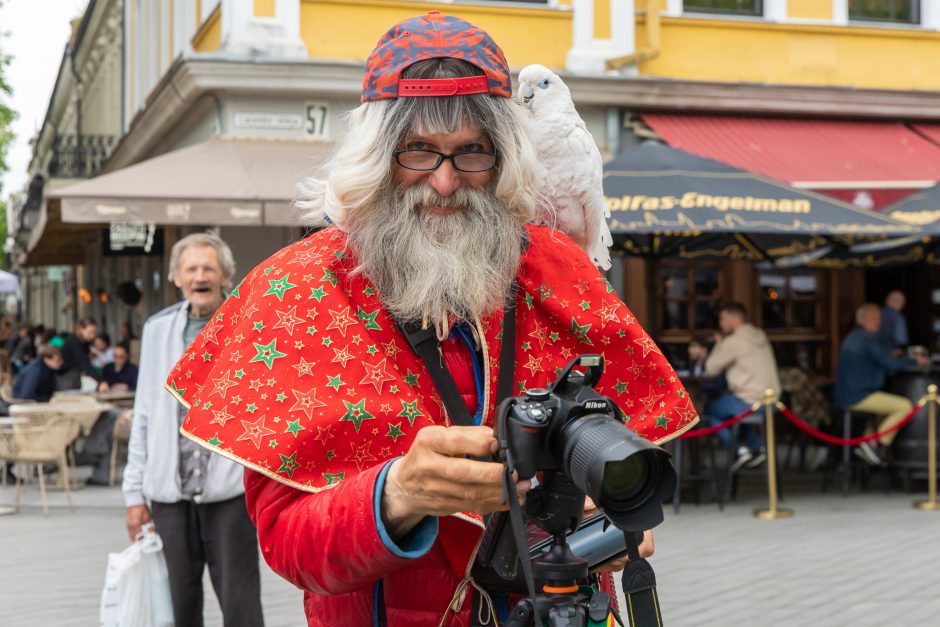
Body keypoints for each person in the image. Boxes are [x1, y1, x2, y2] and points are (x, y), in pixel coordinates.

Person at [162, 12, 697, 626]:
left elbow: (618, 463)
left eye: (472, 152)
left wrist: (601, 515)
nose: (444, 182)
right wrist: (396, 495)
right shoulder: (299, 289)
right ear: (378, 154)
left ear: (503, 159)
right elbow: (290, 547)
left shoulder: (557, 272)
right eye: (418, 151)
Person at [122, 233, 264, 626]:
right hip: (169, 494)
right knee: (179, 608)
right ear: (176, 277)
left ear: (225, 276)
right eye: (192, 268)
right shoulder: (157, 329)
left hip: (230, 494)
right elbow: (145, 412)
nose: (200, 276)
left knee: (241, 606)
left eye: (209, 268)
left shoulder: (247, 325)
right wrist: (134, 493)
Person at [834, 303, 926, 466]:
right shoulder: (866, 338)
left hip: (848, 395)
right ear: (861, 320)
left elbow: (881, 357)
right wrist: (914, 360)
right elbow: (889, 363)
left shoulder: (855, 337)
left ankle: (867, 446)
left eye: (878, 318)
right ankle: (877, 445)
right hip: (858, 396)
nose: (877, 322)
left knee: (881, 414)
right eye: (872, 318)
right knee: (904, 406)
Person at [704, 302, 782, 472]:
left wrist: (719, 344)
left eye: (723, 319)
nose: (721, 323)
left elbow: (710, 368)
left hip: (750, 400)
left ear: (734, 318)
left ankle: (740, 450)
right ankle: (758, 446)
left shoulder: (734, 341)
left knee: (709, 411)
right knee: (733, 415)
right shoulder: (759, 335)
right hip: (772, 400)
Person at [58, 317, 106, 392]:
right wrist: (101, 381)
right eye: (90, 332)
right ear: (81, 329)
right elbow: (85, 364)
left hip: (74, 376)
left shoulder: (84, 342)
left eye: (94, 332)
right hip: (65, 377)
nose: (93, 335)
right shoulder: (74, 341)